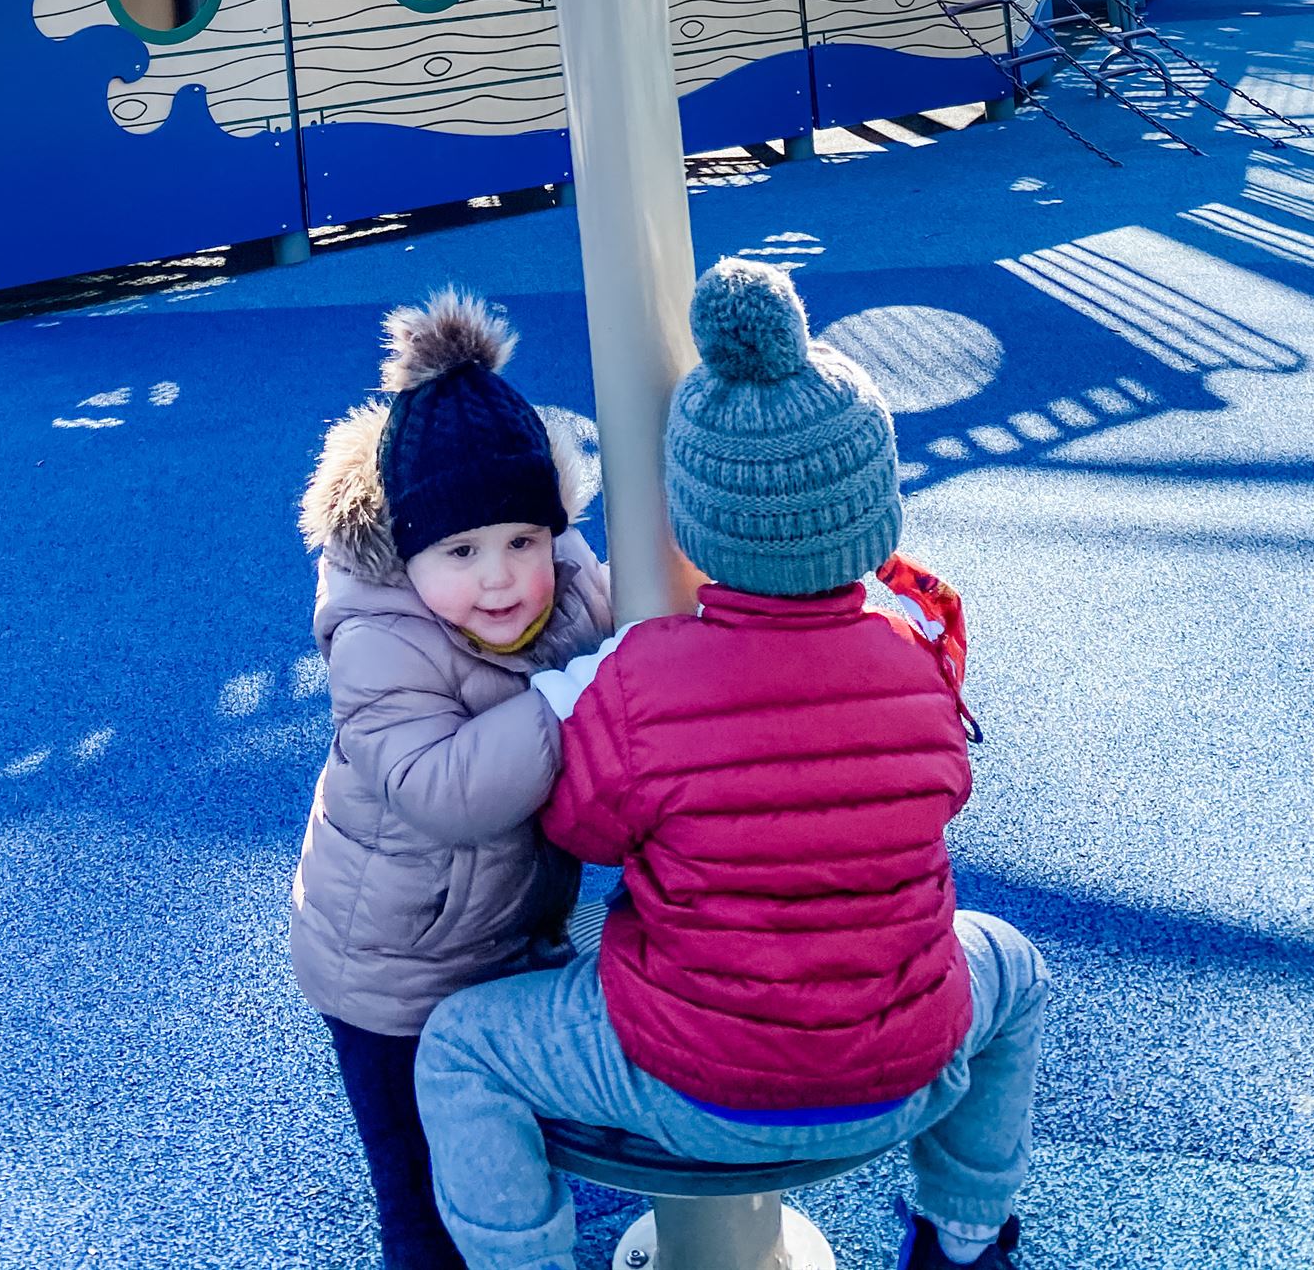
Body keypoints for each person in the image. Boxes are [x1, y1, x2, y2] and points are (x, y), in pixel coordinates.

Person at [413, 257, 1048, 1270]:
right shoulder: (910, 660)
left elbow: (579, 825)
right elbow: (942, 786)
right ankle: (965, 1238)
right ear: (869, 511)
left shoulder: (646, 673)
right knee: (1012, 966)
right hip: (904, 1065)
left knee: (458, 1044)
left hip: (697, 1083)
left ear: (692, 518)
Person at [291, 292, 612, 1270]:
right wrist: (565, 700)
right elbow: (439, 787)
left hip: (504, 937)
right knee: (419, 1189)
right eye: (462, 552)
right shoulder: (378, 638)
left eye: (523, 540)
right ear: (409, 549)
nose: (500, 577)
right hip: (387, 972)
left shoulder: (566, 582)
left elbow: (621, 639)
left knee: (503, 1161)